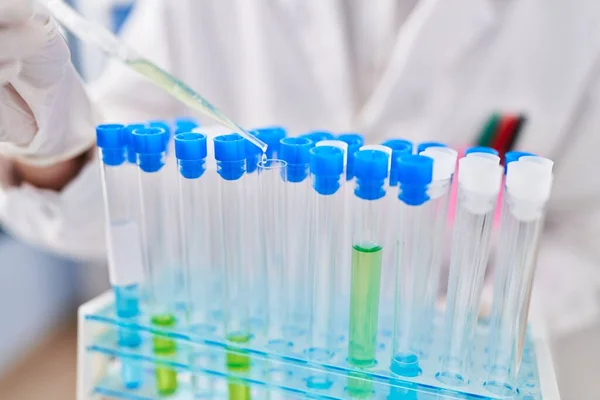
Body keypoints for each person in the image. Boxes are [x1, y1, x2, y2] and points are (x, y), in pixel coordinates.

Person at [1, 0, 599, 338]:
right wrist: (52, 153)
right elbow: (112, 193)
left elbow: (589, 233)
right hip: (240, 356)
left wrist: (469, 329)